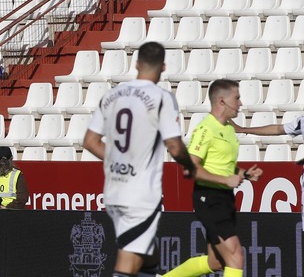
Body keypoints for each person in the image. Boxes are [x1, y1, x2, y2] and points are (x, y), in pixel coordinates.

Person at [82, 41, 196, 277]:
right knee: (129, 258)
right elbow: (174, 146)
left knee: (148, 253)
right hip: (140, 194)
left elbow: (91, 142)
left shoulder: (111, 95)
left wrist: (116, 160)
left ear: (136, 64)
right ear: (163, 67)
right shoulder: (162, 97)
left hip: (114, 190)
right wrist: (190, 166)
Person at [158, 79, 262, 277]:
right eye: (237, 98)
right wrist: (226, 180)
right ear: (222, 101)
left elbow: (222, 165)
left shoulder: (229, 130)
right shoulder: (206, 130)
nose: (240, 103)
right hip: (209, 198)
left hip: (225, 199)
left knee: (215, 262)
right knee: (235, 257)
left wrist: (243, 174)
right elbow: (191, 168)